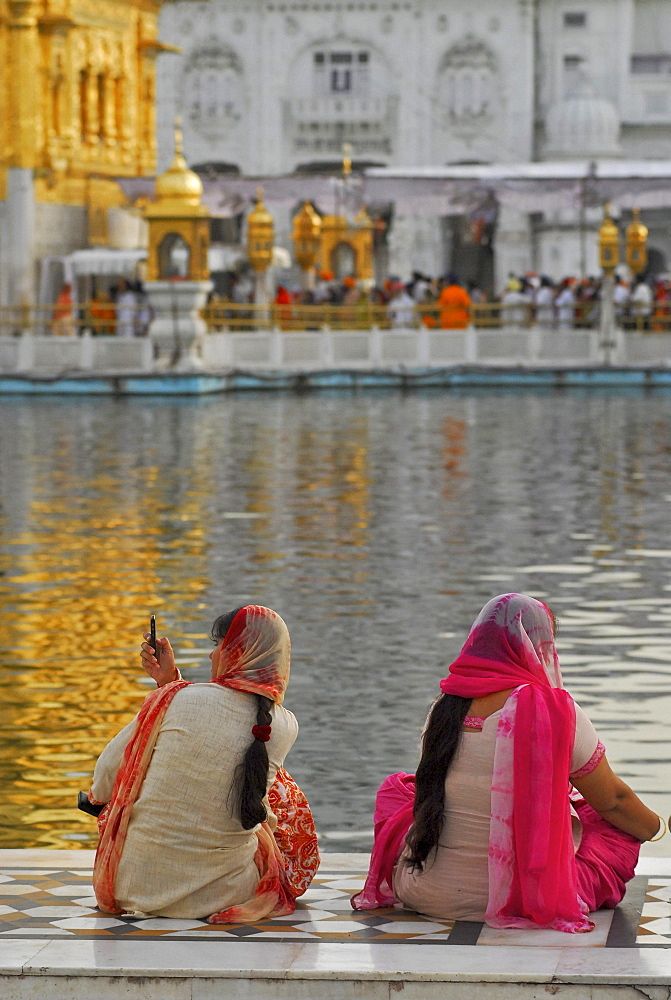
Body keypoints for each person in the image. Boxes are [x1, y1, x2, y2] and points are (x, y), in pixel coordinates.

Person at [353, 594, 662, 932]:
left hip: (421, 891)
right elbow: (615, 800)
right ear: (538, 647)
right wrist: (656, 828)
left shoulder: (444, 707)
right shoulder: (556, 711)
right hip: (524, 900)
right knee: (610, 819)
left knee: (402, 789)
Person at [89, 605, 319, 921]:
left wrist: (168, 687)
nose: (211, 657)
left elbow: (106, 772)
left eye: (217, 646)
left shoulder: (178, 698)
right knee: (279, 790)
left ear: (237, 652)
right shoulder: (286, 725)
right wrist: (169, 684)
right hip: (229, 894)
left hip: (133, 888)